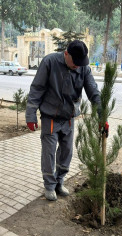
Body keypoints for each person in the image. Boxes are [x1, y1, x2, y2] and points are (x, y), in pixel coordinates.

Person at [26, 40, 102, 201]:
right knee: (49, 152)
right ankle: (49, 185)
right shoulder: (50, 62)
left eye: (81, 63)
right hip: (50, 116)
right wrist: (31, 115)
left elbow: (93, 92)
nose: (77, 66)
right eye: (75, 62)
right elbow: (37, 88)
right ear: (66, 54)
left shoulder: (83, 68)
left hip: (68, 117)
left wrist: (102, 116)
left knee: (67, 152)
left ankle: (59, 181)